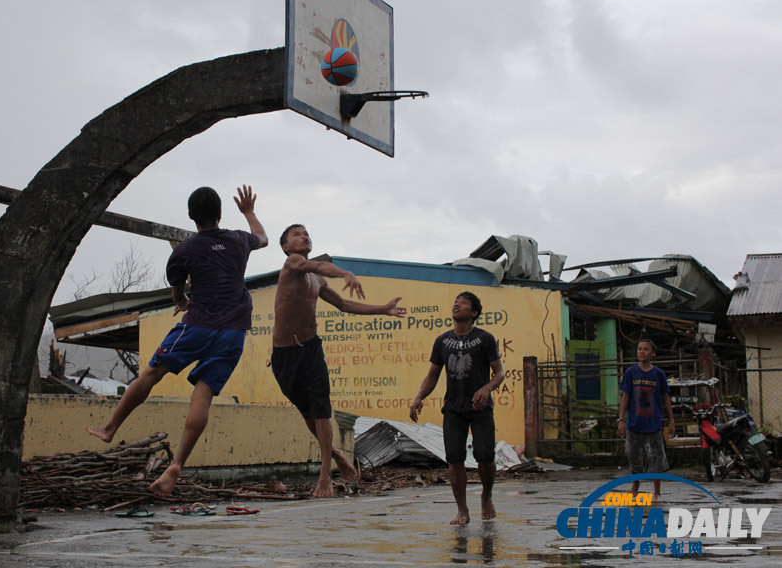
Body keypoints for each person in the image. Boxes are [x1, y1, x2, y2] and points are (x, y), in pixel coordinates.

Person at [86, 185, 268, 496]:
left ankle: (109, 427)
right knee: (203, 396)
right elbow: (262, 239)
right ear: (220, 213)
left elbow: (178, 293)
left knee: (153, 372)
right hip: (234, 330)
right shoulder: (239, 239)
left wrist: (182, 302)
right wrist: (249, 212)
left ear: (191, 217)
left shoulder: (183, 250)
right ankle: (178, 464)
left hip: (197, 325)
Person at [272, 224, 407, 498]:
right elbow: (320, 266)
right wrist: (345, 272)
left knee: (321, 410)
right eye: (296, 234)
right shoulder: (293, 263)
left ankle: (325, 478)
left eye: (306, 232)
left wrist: (383, 309)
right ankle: (339, 458)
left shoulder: (318, 282)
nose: (304, 235)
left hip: (310, 349)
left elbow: (344, 305)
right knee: (309, 417)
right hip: (284, 354)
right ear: (286, 247)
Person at [409, 292, 504, 525]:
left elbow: (499, 373)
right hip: (453, 408)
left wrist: (486, 389)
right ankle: (462, 510)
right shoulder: (442, 340)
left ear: (474, 313)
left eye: (462, 302)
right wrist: (418, 397)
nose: (456, 304)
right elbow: (433, 375)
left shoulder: (485, 339)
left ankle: (486, 496)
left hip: (480, 408)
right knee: (455, 459)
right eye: (455, 302)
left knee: (485, 457)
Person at [618, 339, 674, 503]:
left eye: (645, 349)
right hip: (634, 424)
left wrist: (671, 420)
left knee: (655, 459)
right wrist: (621, 419)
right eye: (639, 349)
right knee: (634, 458)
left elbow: (666, 398)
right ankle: (635, 487)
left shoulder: (658, 374)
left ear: (652, 354)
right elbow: (625, 397)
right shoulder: (630, 373)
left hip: (653, 424)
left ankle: (657, 492)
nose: (642, 352)